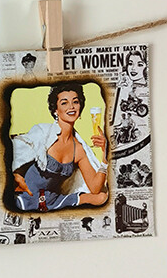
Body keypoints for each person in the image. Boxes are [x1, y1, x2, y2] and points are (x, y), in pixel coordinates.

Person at [11, 82, 108, 211]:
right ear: (55, 110)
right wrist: (15, 175)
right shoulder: (43, 132)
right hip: (25, 199)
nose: (71, 107)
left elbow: (95, 188)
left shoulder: (79, 149)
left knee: (102, 197)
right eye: (64, 103)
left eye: (75, 102)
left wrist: (105, 155)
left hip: (54, 201)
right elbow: (16, 151)